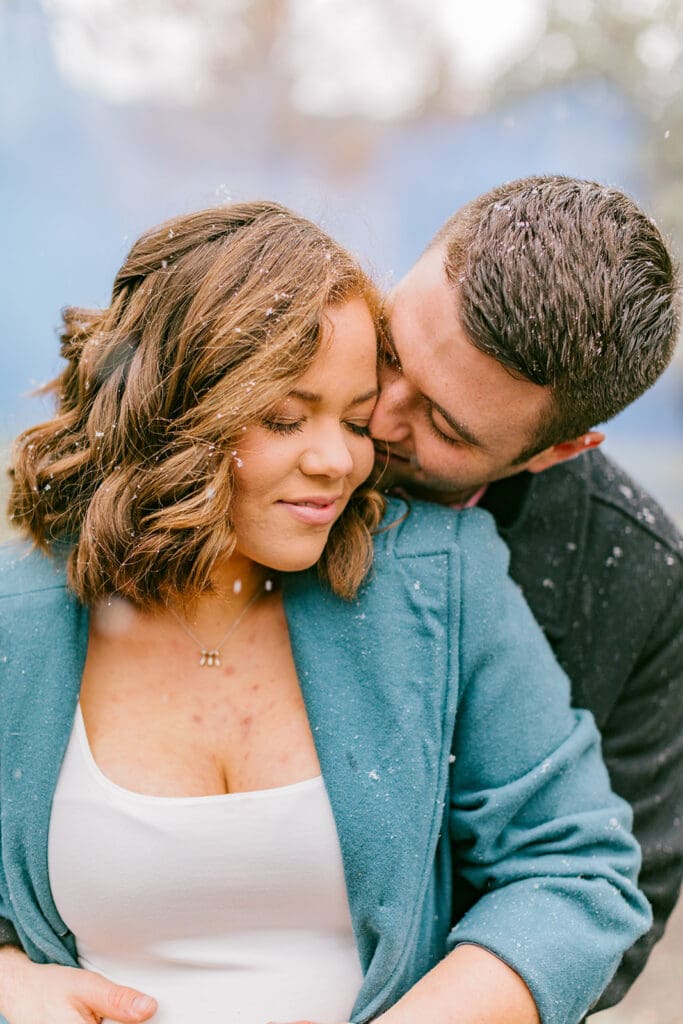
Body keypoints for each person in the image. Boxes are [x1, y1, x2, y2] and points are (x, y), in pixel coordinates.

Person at [0, 200, 650, 1024]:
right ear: (175, 406)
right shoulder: (19, 618)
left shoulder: (438, 574)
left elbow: (575, 873)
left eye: (352, 417)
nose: (341, 458)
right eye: (283, 417)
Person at [370, 174, 683, 1016]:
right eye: (390, 352)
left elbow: (614, 896)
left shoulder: (631, 578)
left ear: (559, 449)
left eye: (442, 425)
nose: (377, 419)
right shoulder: (238, 405)